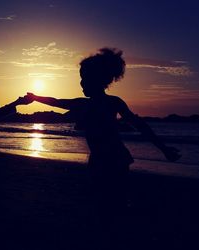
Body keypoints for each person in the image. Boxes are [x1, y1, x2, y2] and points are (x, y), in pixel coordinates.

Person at [26, 48, 181, 232]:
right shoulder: (89, 103)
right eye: (81, 78)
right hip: (100, 159)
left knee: (114, 200)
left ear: (99, 80)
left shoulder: (112, 102)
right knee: (104, 201)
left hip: (115, 159)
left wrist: (163, 149)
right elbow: (56, 101)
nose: (81, 83)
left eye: (84, 78)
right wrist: (35, 98)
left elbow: (140, 125)